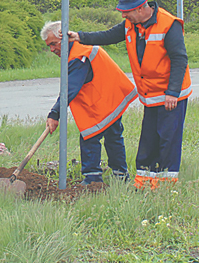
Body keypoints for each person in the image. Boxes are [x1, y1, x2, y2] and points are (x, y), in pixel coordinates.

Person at [67, 0, 192, 189]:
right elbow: (108, 36)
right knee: (149, 140)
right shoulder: (130, 25)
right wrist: (80, 36)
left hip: (171, 95)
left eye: (127, 12)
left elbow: (180, 59)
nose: (124, 16)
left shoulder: (169, 25)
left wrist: (173, 92)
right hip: (150, 94)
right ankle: (144, 183)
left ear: (142, 8)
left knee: (168, 141)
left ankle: (165, 186)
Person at [42, 21, 138, 185]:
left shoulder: (80, 56)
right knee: (112, 136)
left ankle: (93, 179)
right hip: (108, 99)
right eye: (49, 46)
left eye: (53, 44)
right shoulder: (80, 50)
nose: (52, 49)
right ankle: (120, 174)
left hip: (106, 99)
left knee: (90, 136)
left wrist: (54, 114)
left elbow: (69, 89)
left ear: (64, 37)